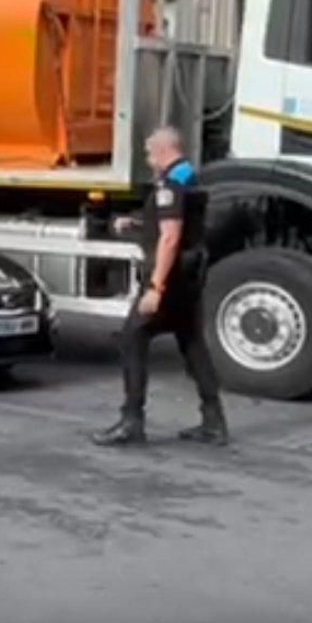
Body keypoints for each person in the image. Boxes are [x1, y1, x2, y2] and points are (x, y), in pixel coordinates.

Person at [93, 126, 227, 448]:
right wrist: (140, 223)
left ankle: (131, 421)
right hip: (191, 273)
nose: (148, 158)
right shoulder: (190, 178)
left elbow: (170, 237)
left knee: (132, 338)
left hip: (171, 276)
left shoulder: (169, 184)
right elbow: (181, 224)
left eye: (149, 152)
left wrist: (155, 287)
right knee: (193, 343)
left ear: (163, 150)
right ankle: (214, 421)